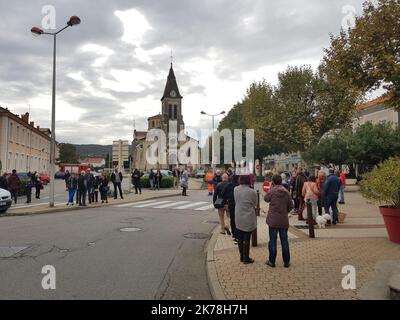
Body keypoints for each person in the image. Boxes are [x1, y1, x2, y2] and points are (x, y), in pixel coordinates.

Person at [264, 174, 293, 268]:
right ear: (281, 181)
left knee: (272, 240)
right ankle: (286, 261)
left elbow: (266, 199)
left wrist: (270, 188)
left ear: (273, 182)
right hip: (283, 219)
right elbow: (291, 205)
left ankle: (272, 261)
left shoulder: (272, 191)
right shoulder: (286, 192)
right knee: (284, 240)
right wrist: (285, 211)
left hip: (273, 219)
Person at [234, 175, 257, 264]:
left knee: (240, 237)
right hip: (248, 216)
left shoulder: (235, 189)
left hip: (238, 215)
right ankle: (246, 258)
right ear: (248, 181)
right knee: (247, 238)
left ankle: (241, 256)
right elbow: (255, 204)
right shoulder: (252, 192)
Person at [221, 174, 239, 243]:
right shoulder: (238, 185)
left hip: (231, 203)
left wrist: (227, 198)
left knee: (232, 218)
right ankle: (237, 234)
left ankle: (234, 233)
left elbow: (222, 194)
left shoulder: (229, 185)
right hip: (238, 204)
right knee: (237, 219)